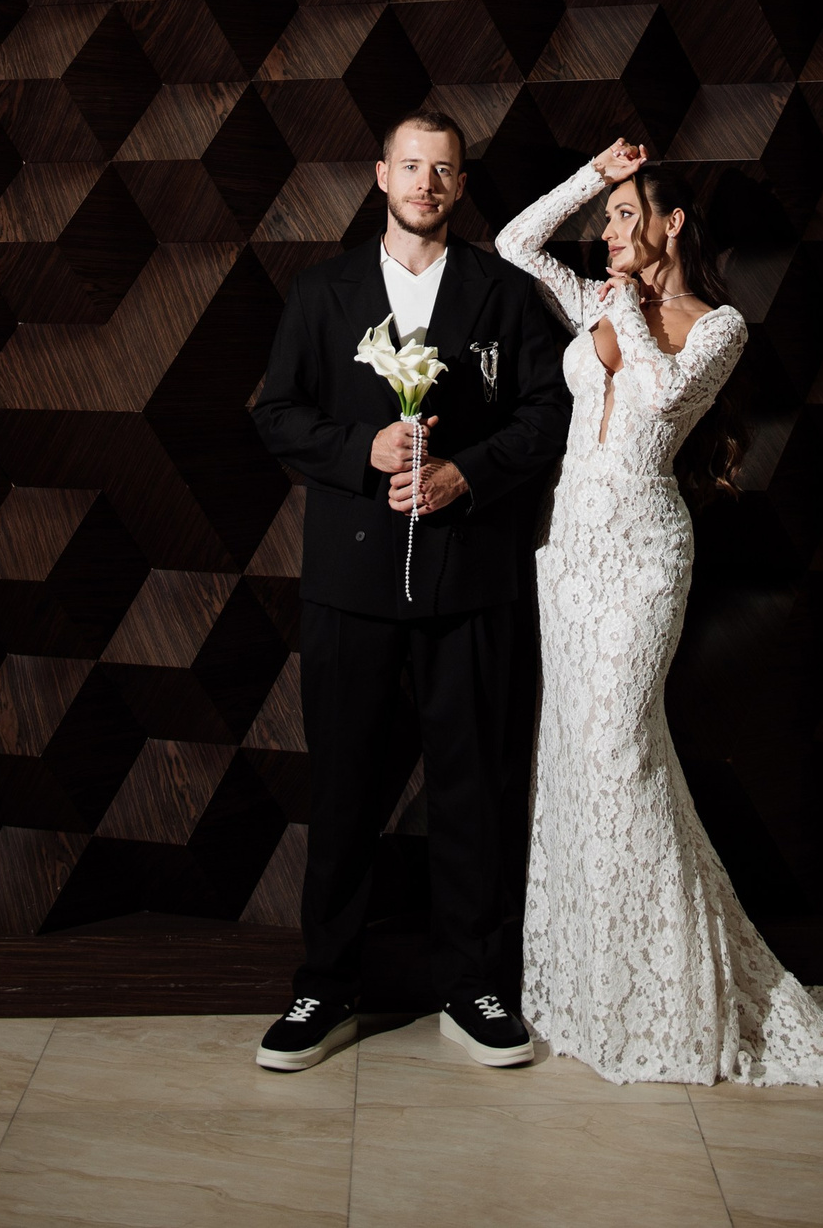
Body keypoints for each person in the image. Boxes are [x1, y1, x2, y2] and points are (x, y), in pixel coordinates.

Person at [494, 138, 823, 1088]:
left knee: (620, 749)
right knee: (576, 759)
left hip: (643, 558)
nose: (609, 233)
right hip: (569, 556)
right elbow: (515, 242)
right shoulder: (596, 299)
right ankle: (594, 992)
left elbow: (661, 402)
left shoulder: (718, 326)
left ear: (673, 225)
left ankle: (672, 996)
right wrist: (593, 177)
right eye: (608, 220)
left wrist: (624, 301)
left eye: (627, 216)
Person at [250, 110, 571, 1071]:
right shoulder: (323, 292)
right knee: (344, 789)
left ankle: (473, 987)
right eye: (411, 165)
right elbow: (276, 414)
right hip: (349, 585)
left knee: (473, 790)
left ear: (460, 186)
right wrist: (365, 450)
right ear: (380, 175)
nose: (426, 183)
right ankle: (325, 986)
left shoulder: (504, 294)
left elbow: (549, 411)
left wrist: (467, 473)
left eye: (444, 170)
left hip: (469, 581)